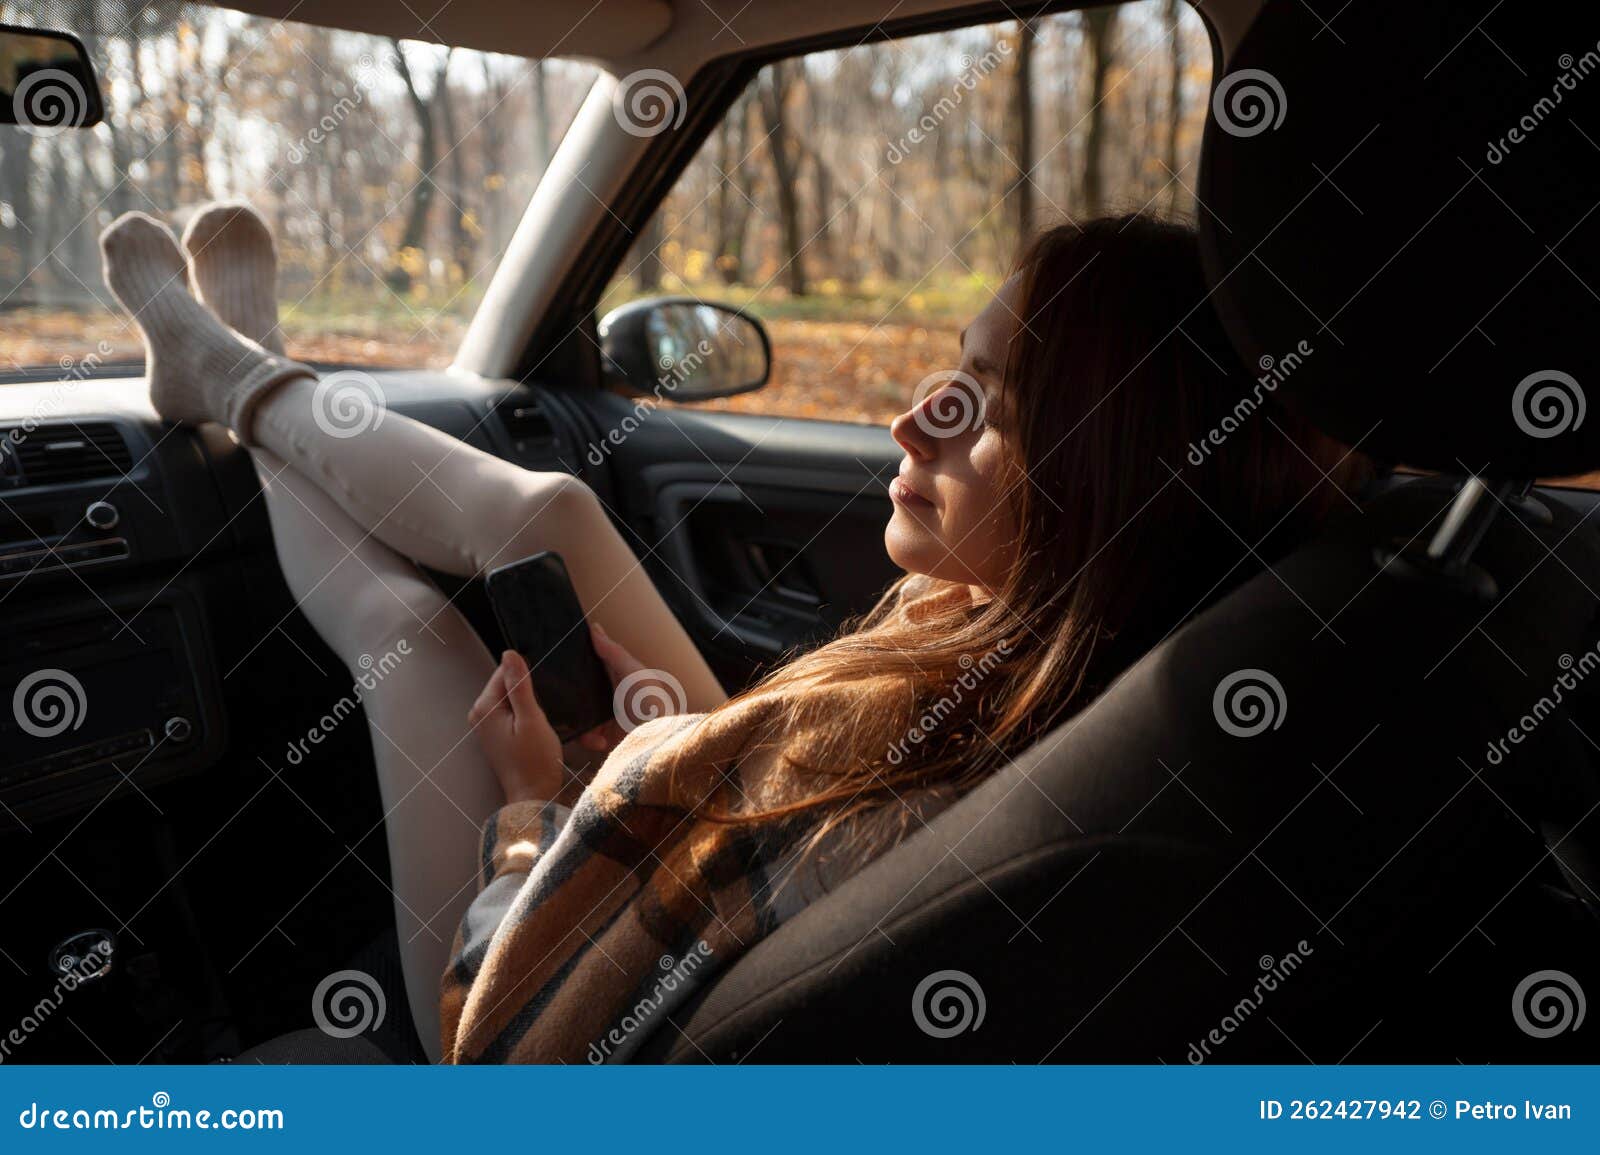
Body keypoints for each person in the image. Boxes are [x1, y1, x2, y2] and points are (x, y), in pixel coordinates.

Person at [99, 204, 1368, 1063]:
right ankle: (238, 374)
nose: (908, 423)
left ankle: (232, 377)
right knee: (550, 510)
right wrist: (641, 766)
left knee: (410, 641)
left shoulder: (905, 752)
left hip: (509, 1019)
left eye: (985, 409)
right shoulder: (1091, 632)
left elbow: (546, 1042)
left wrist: (535, 806)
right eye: (949, 372)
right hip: (714, 834)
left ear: (1110, 478)